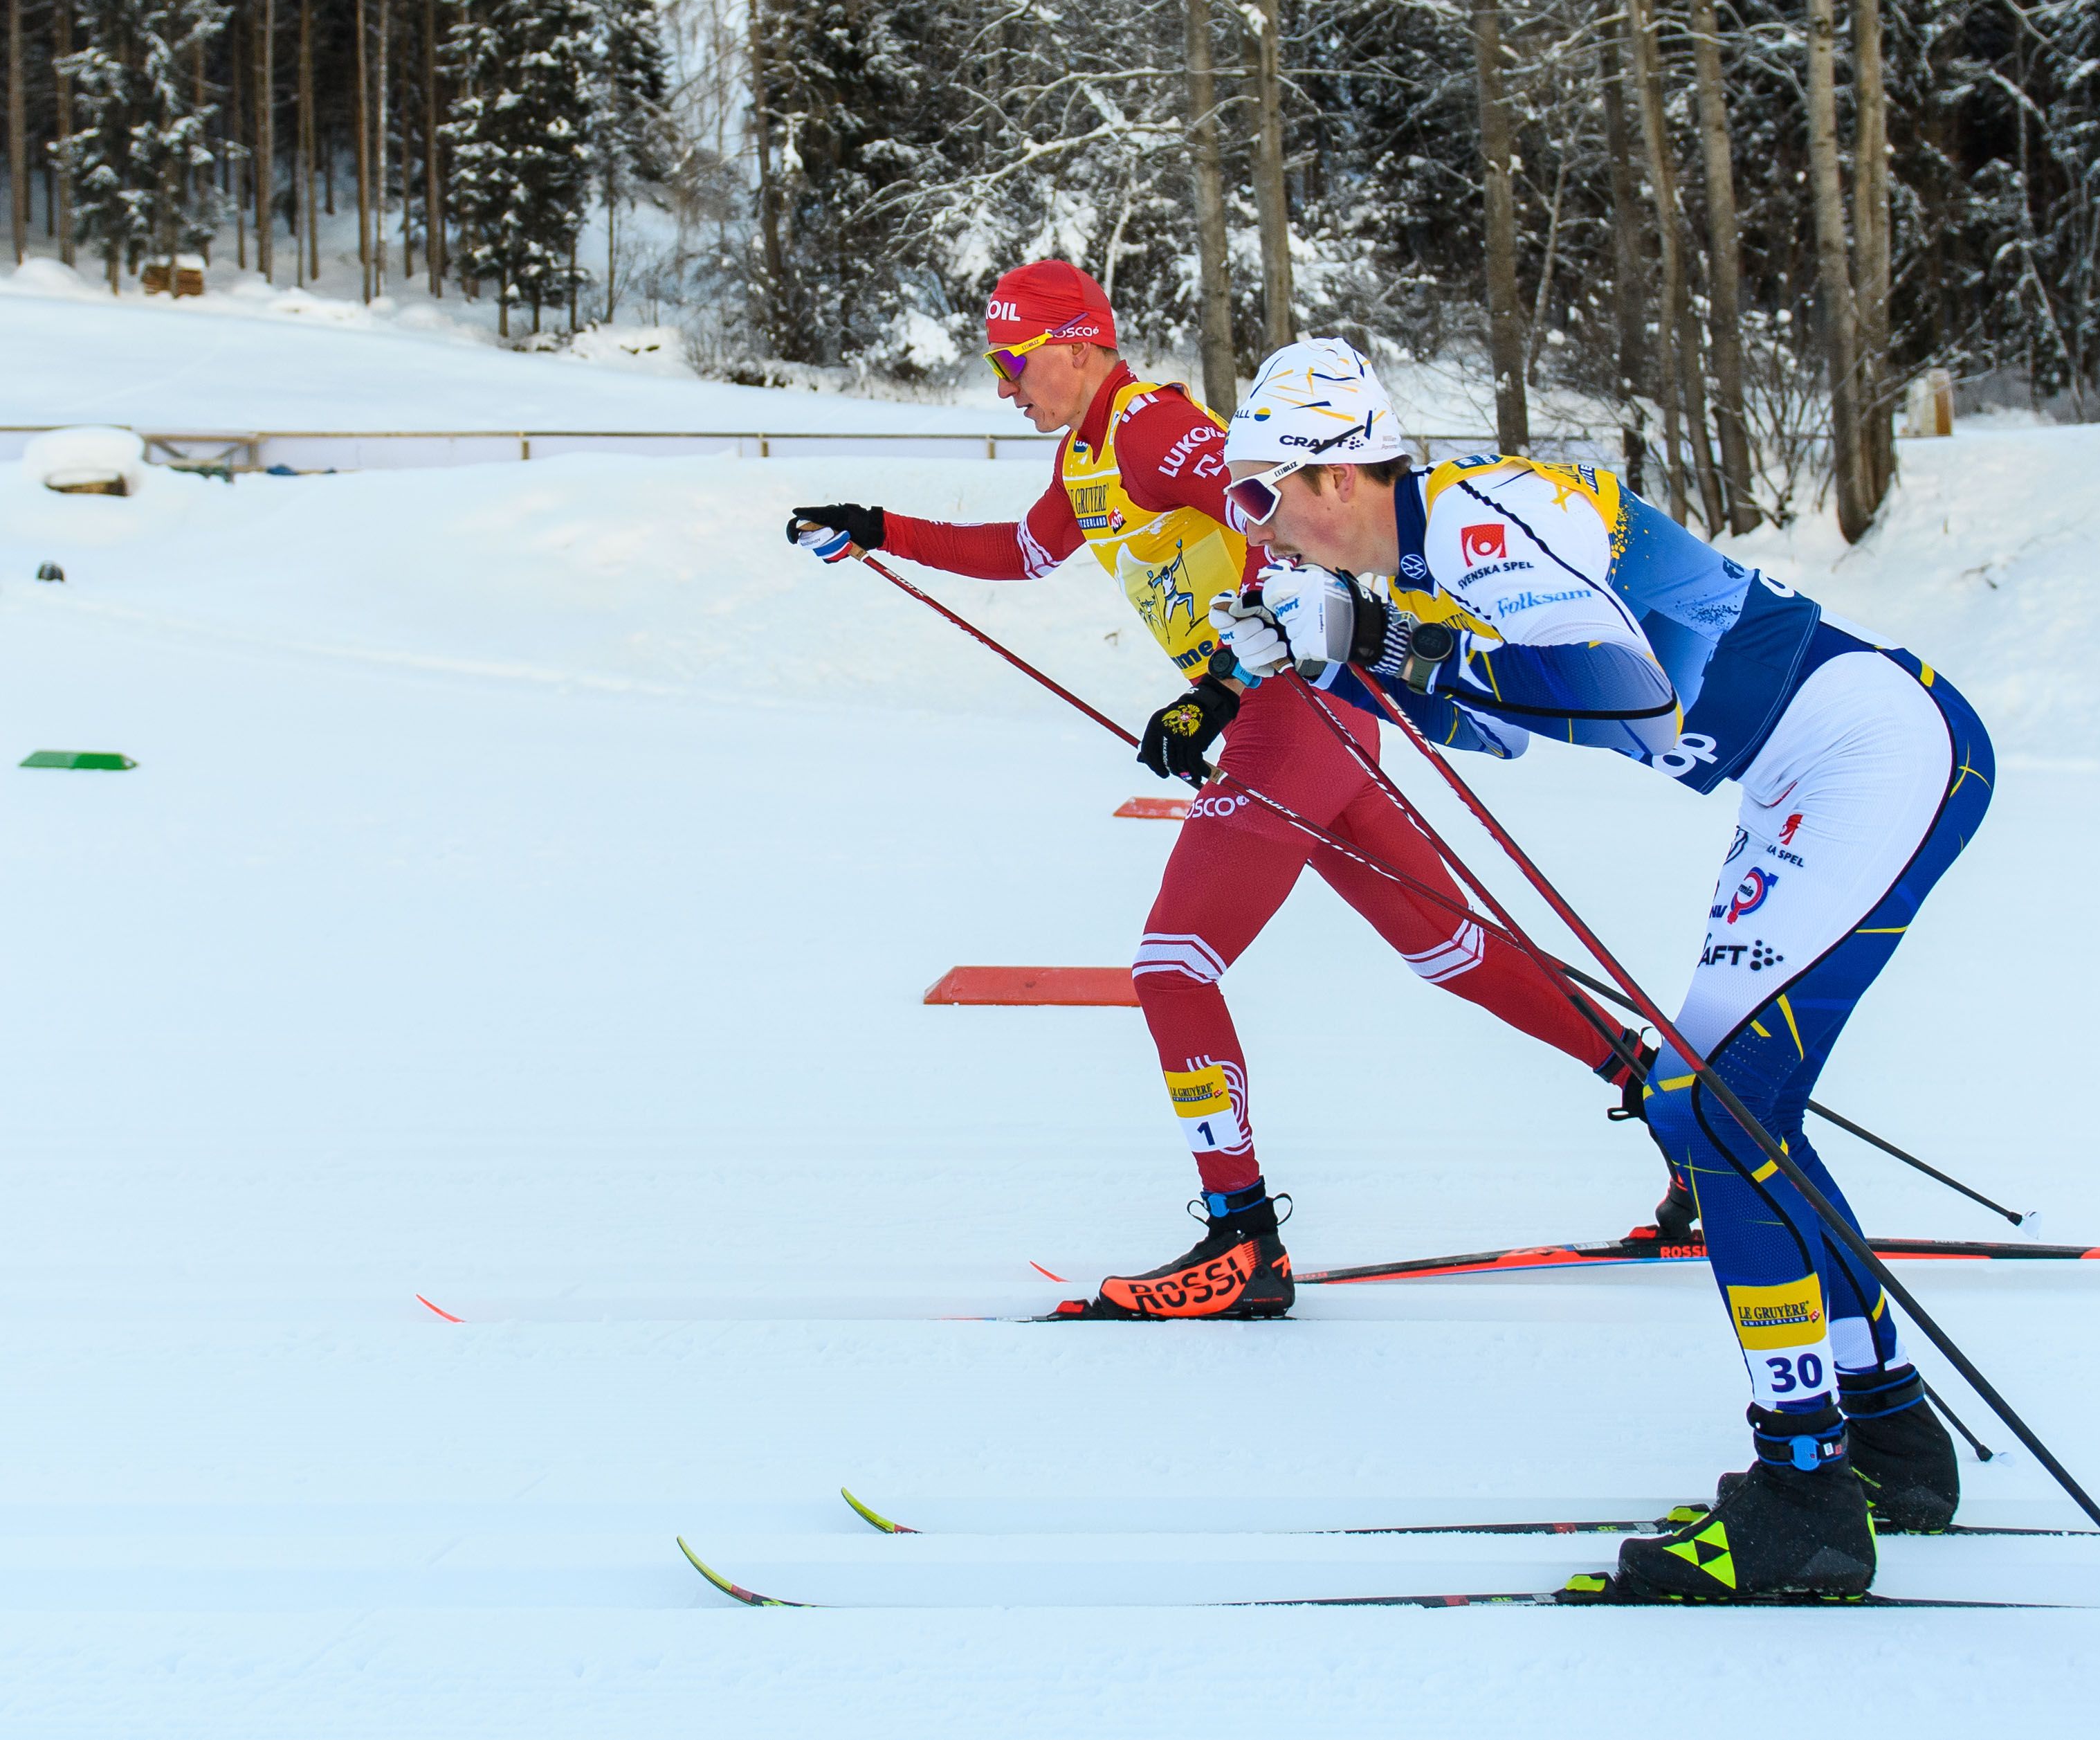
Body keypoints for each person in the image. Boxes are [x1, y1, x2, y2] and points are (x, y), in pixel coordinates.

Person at [1215, 336, 1993, 1599]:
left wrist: (1372, 636)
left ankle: (1802, 1501)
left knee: (1715, 1110)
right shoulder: (1428, 560)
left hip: (1866, 749)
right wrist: (1342, 657)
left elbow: (1633, 695)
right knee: (1735, 1109)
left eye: (1263, 492)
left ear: (1338, 476)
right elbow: (1505, 724)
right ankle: (1887, 1438)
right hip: (1807, 771)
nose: (1257, 526)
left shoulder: (1476, 518)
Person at [784, 263, 1643, 1321]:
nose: (1007, 385)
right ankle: (1672, 1103)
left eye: (1014, 362)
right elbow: (1022, 549)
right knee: (1451, 951)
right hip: (1311, 719)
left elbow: (1264, 523)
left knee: (1172, 968)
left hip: (1292, 710)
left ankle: (1241, 1240)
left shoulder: (1150, 425)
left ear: (1080, 344)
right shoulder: (1090, 450)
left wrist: (1221, 694)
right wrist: (880, 528)